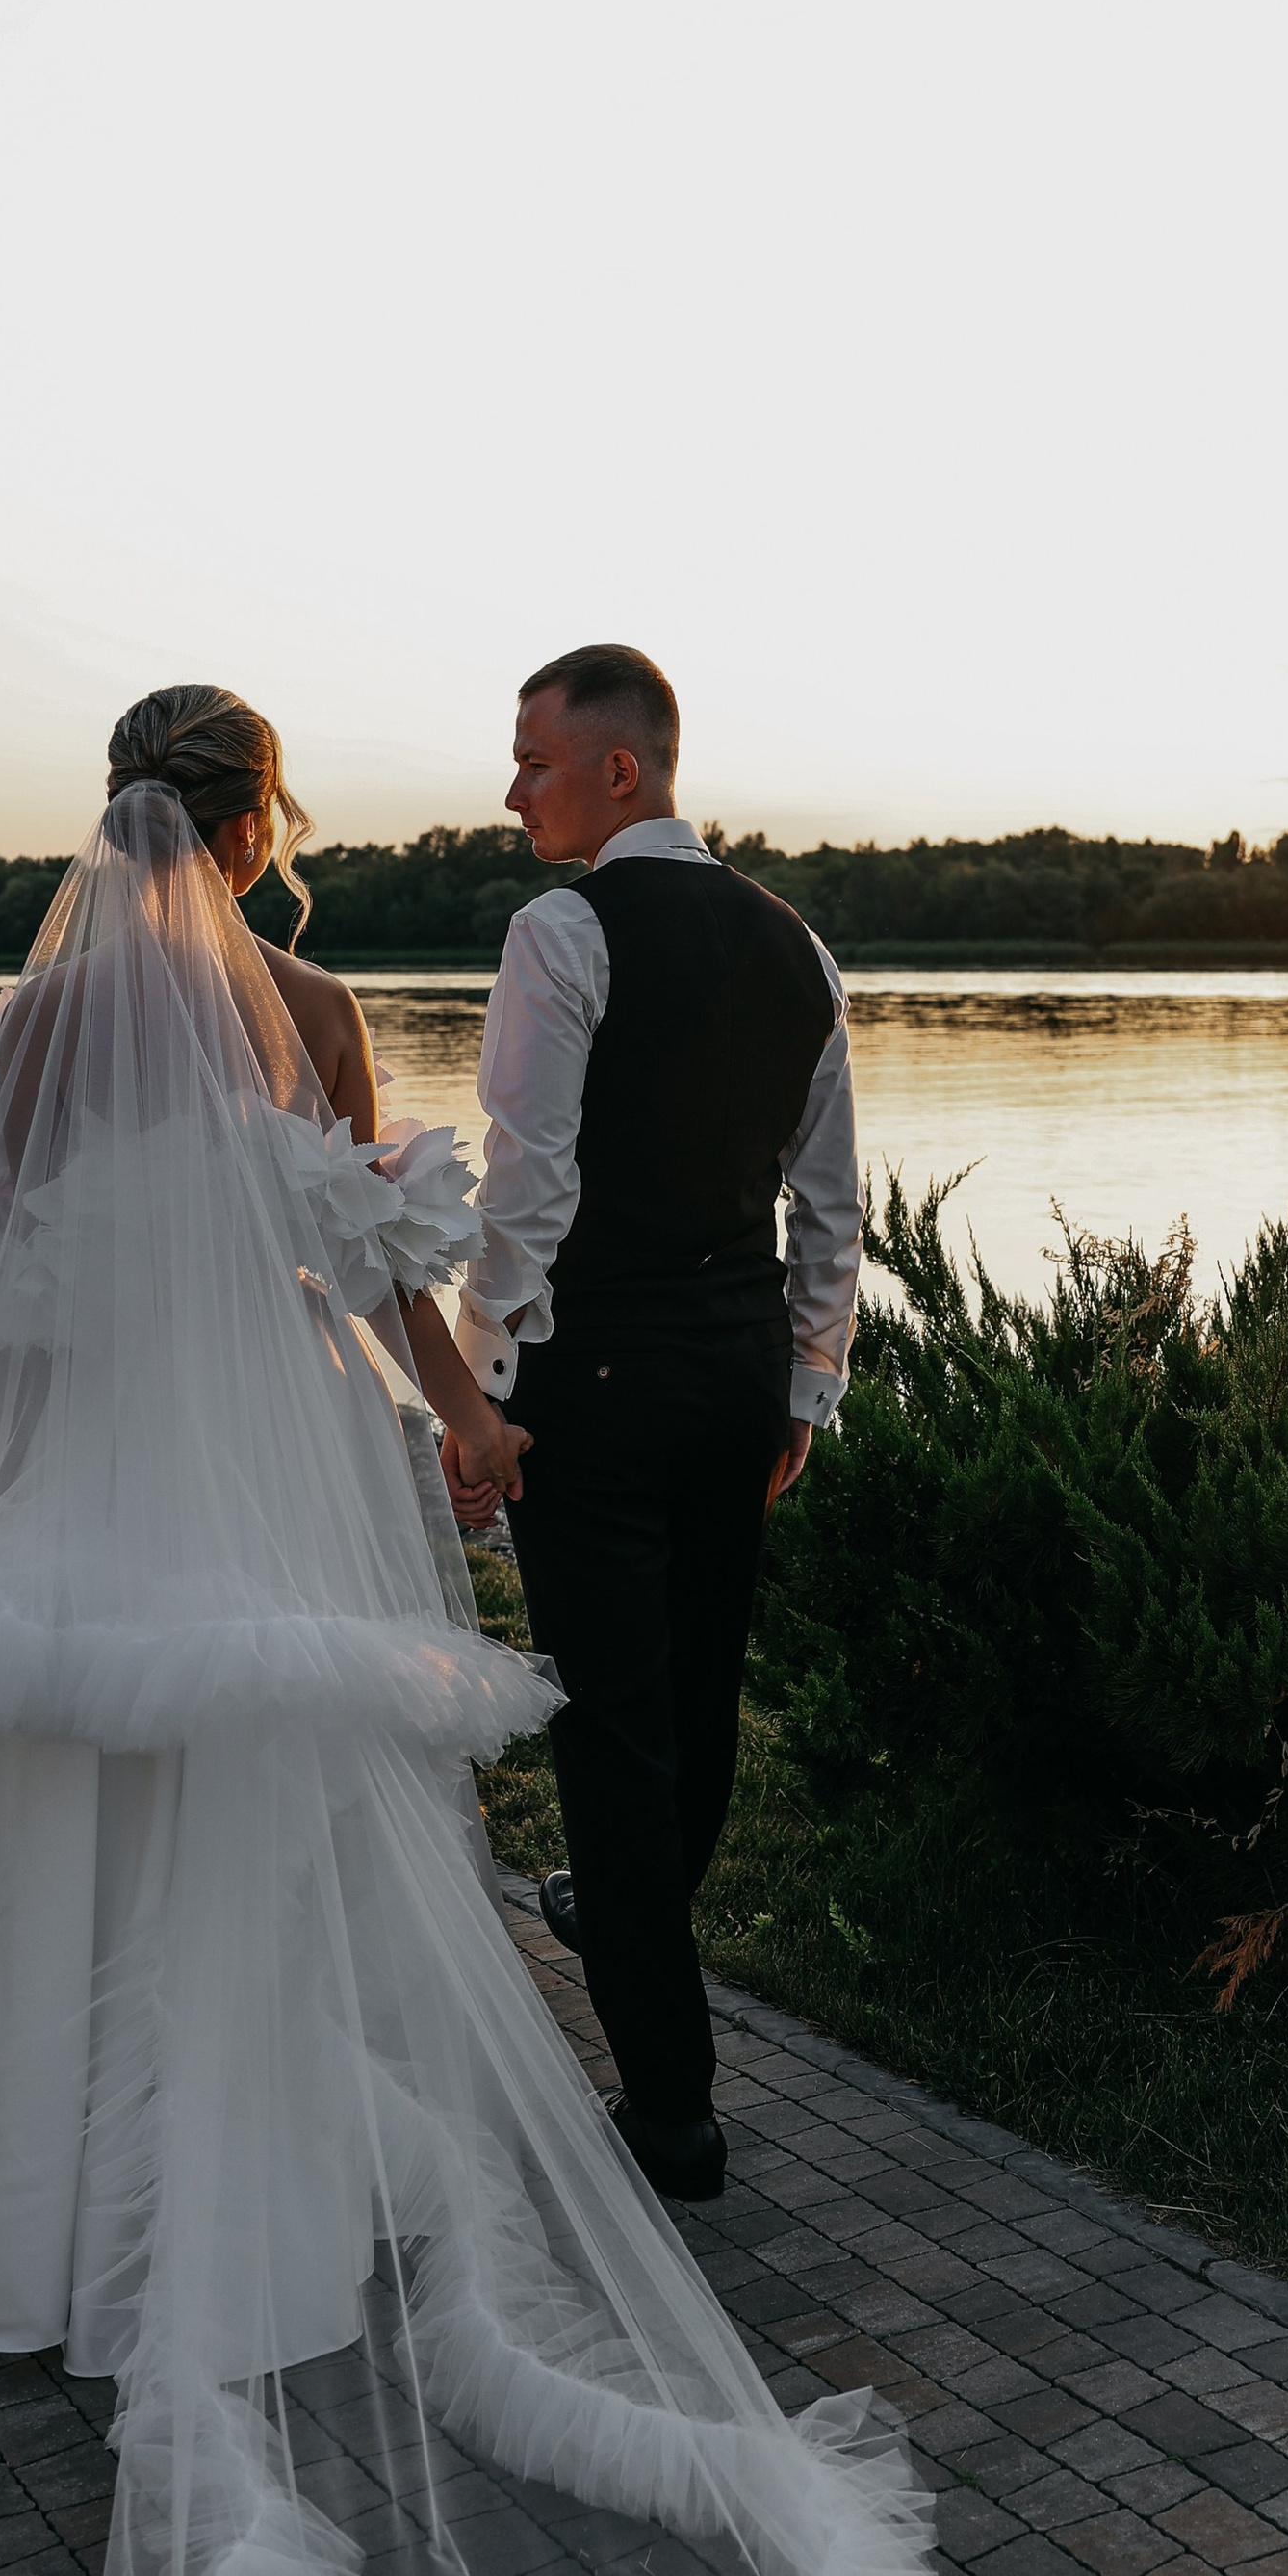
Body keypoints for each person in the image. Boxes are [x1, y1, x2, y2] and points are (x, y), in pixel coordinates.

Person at [0, 685, 942, 2576]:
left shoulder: (46, 1014)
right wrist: (475, 1425)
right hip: (259, 1492)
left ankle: (32, 2231)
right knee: (250, 1857)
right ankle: (239, 2221)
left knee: (78, 1829)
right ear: (258, 820)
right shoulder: (318, 1004)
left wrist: (42, 1477)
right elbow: (371, 1273)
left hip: (88, 1494)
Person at [451, 647, 862, 2204]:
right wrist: (804, 1389)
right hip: (736, 1376)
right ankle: (617, 1915)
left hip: (601, 1381)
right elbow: (831, 1207)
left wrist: (485, 1386)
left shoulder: (562, 929)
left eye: (532, 762)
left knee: (623, 1736)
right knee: (690, 1708)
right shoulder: (799, 947)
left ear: (621, 771)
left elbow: (529, 1180)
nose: (511, 792)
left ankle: (674, 2108)